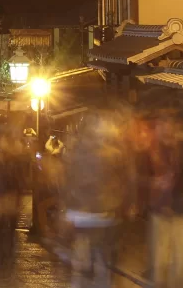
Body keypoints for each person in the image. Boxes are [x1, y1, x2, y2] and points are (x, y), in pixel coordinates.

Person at [64, 112, 131, 288]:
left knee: (85, 266)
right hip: (100, 215)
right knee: (99, 264)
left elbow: (69, 184)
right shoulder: (111, 154)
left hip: (89, 216)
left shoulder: (76, 154)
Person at [147, 108, 183, 288]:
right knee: (159, 266)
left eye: (167, 123)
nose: (163, 128)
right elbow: (137, 177)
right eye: (160, 123)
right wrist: (153, 183)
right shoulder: (152, 150)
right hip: (160, 212)